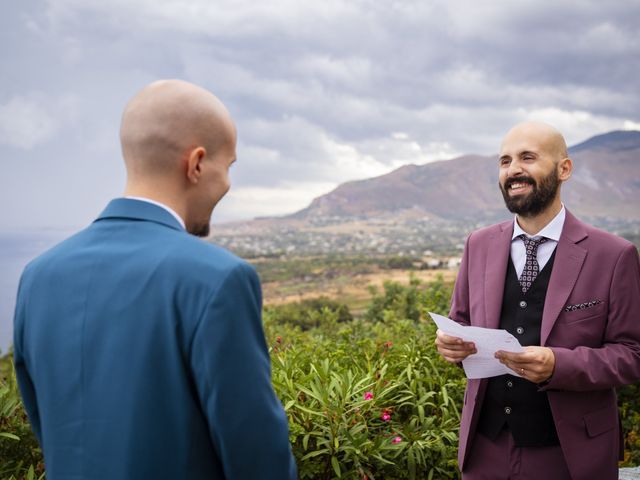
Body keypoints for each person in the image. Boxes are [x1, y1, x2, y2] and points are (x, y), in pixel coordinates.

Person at [13, 80, 297, 479]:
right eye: (227, 166)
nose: (227, 184)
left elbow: (49, 429)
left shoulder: (38, 277)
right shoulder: (219, 279)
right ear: (196, 163)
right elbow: (256, 458)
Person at [435, 121, 640, 480]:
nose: (513, 169)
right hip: (485, 450)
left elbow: (632, 354)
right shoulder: (477, 244)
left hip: (570, 454)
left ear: (564, 169)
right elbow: (462, 321)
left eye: (528, 157)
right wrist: (452, 345)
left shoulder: (614, 254)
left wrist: (559, 364)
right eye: (505, 161)